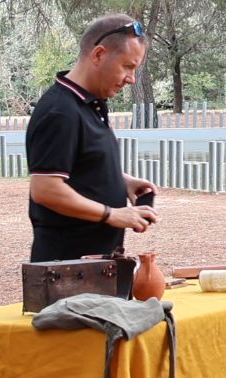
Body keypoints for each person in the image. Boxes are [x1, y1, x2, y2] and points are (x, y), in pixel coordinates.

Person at [26, 13, 160, 262]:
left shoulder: (90, 104)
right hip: (65, 271)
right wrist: (113, 214)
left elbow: (79, 165)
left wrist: (123, 182)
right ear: (99, 55)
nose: (131, 79)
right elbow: (45, 189)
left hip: (96, 266)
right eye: (128, 67)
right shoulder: (60, 111)